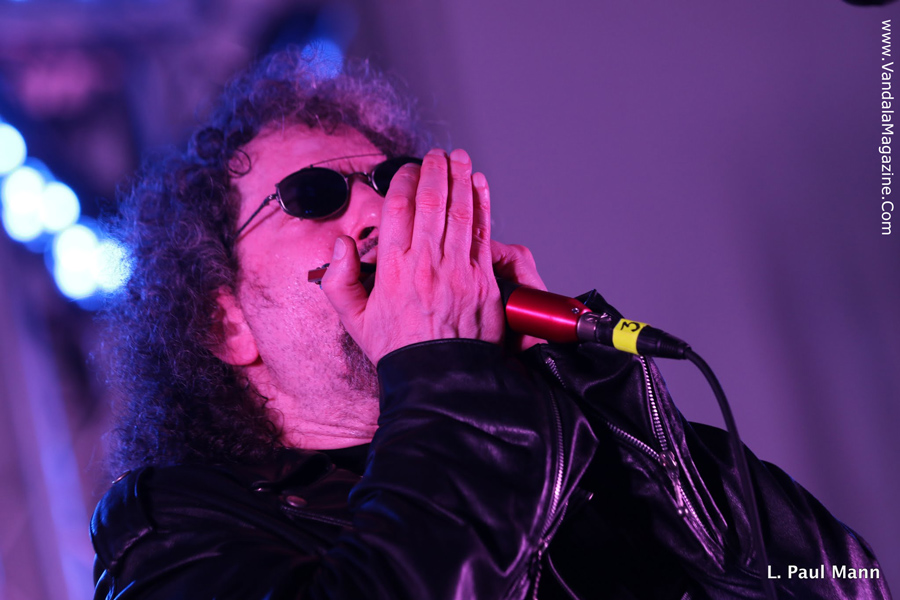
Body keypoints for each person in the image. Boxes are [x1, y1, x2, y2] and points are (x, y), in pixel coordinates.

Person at [90, 48, 891, 599]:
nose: (377, 212)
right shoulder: (167, 532)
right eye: (314, 196)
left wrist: (603, 396)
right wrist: (445, 376)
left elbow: (844, 581)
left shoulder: (566, 438)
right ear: (224, 321)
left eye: (393, 181)